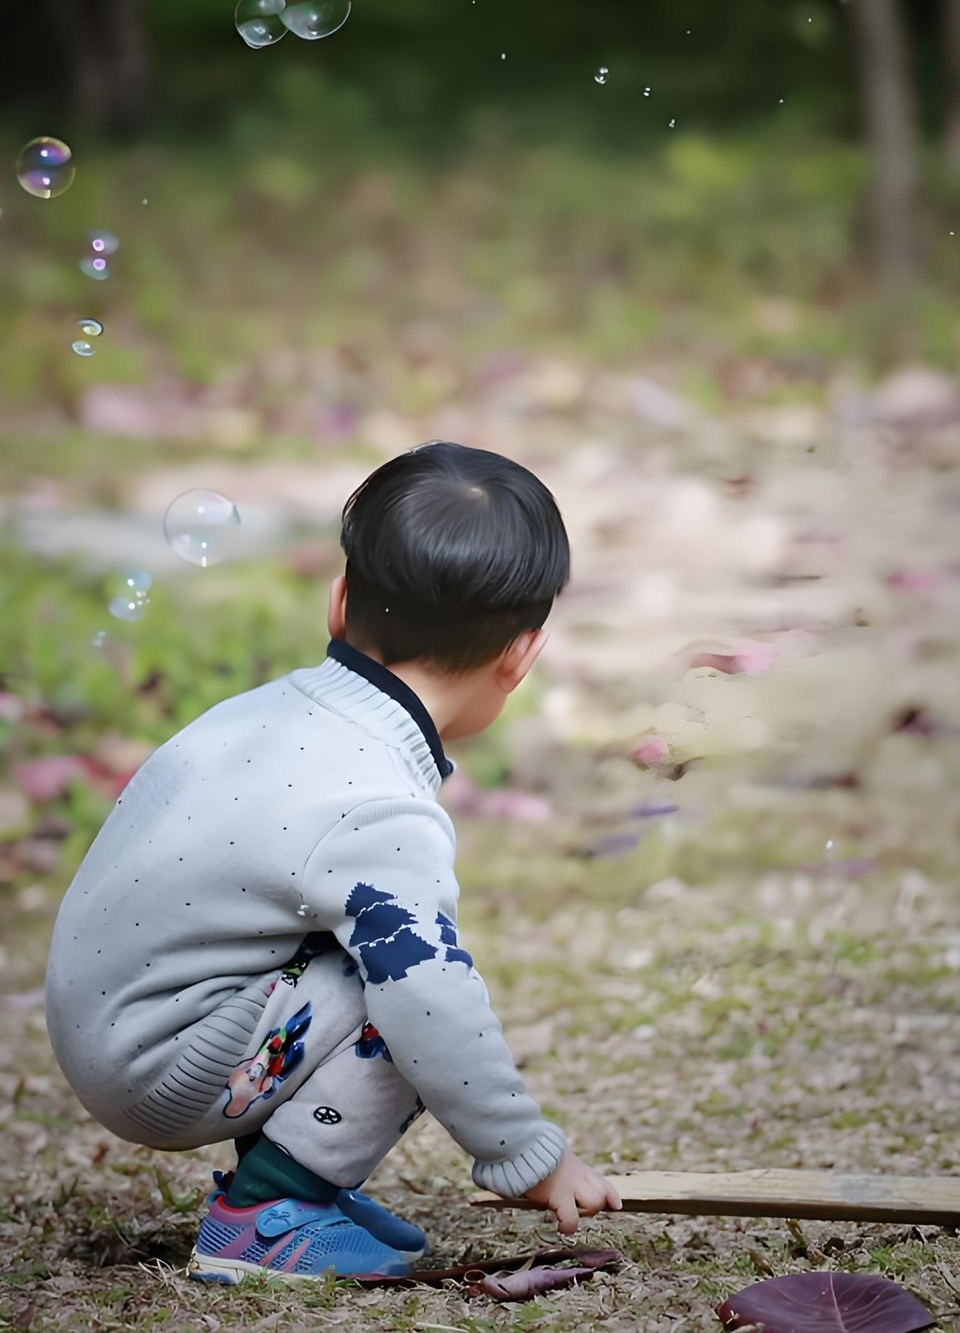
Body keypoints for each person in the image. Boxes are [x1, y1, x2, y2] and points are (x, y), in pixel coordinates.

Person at [46, 442, 622, 1284]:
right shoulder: (378, 801)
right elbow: (428, 997)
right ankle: (267, 1215)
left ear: (340, 602)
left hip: (106, 1026)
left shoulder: (263, 716)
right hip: (161, 1063)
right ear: (521, 654)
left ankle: (282, 1173)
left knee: (372, 951)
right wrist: (525, 1154)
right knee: (411, 979)